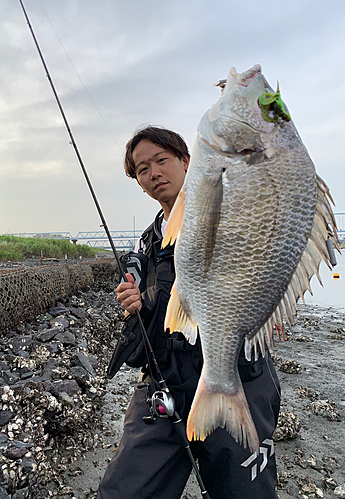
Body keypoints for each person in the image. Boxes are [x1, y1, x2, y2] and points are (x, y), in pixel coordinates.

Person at [97, 126, 281, 499]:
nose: (154, 173)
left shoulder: (226, 214)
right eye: (143, 169)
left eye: (162, 160)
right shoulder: (149, 241)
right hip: (165, 382)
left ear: (187, 161)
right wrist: (138, 300)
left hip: (237, 377)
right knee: (124, 490)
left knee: (245, 491)